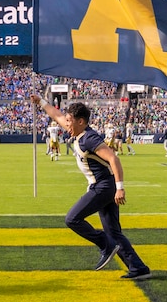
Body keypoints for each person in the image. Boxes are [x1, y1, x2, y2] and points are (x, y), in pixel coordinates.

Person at [30, 94, 151, 279]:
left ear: (80, 121)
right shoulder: (78, 132)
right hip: (104, 186)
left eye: (70, 121)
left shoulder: (89, 138)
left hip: (103, 187)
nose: (66, 124)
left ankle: (105, 244)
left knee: (72, 219)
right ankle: (138, 268)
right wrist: (41, 102)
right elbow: (56, 115)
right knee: (113, 231)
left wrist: (120, 187)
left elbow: (113, 158)